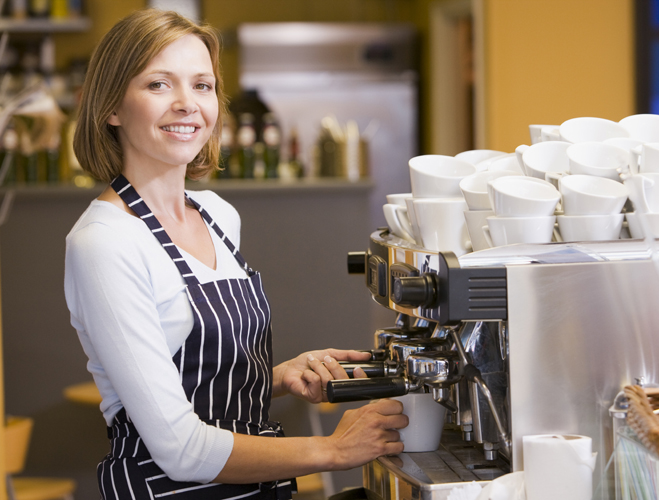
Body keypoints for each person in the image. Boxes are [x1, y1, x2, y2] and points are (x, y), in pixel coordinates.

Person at [64, 9, 407, 499]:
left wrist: (273, 378)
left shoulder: (216, 215)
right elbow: (178, 445)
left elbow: (188, 389)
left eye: (202, 86)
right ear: (112, 107)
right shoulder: (105, 242)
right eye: (160, 85)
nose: (187, 104)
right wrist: (334, 449)